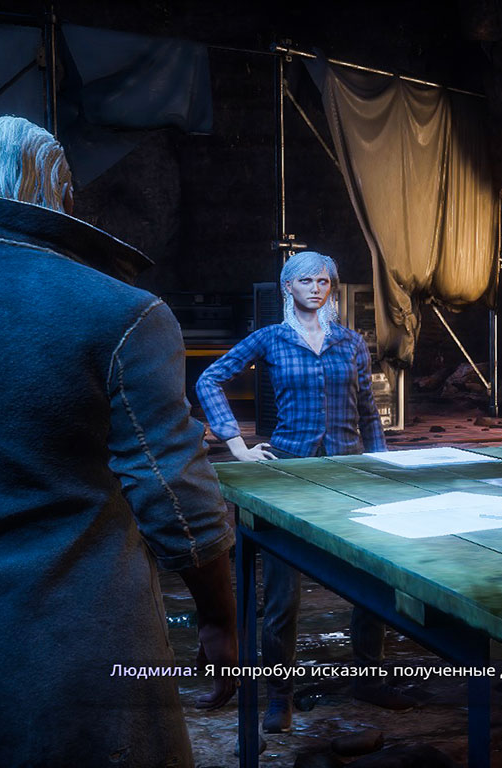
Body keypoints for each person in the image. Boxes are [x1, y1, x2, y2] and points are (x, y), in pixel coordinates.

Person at [0, 115, 237, 767]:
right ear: (62, 194)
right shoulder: (126, 313)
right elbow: (175, 492)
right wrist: (220, 617)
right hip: (81, 644)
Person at [196, 249, 389, 733]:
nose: (315, 288)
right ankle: (278, 695)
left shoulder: (350, 342)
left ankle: (369, 678)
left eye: (323, 281)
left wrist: (384, 465)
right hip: (289, 472)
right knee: (283, 593)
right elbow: (210, 378)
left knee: (373, 577)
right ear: (288, 287)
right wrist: (236, 445)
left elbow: (368, 411)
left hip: (349, 471)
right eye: (305, 281)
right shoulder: (271, 339)